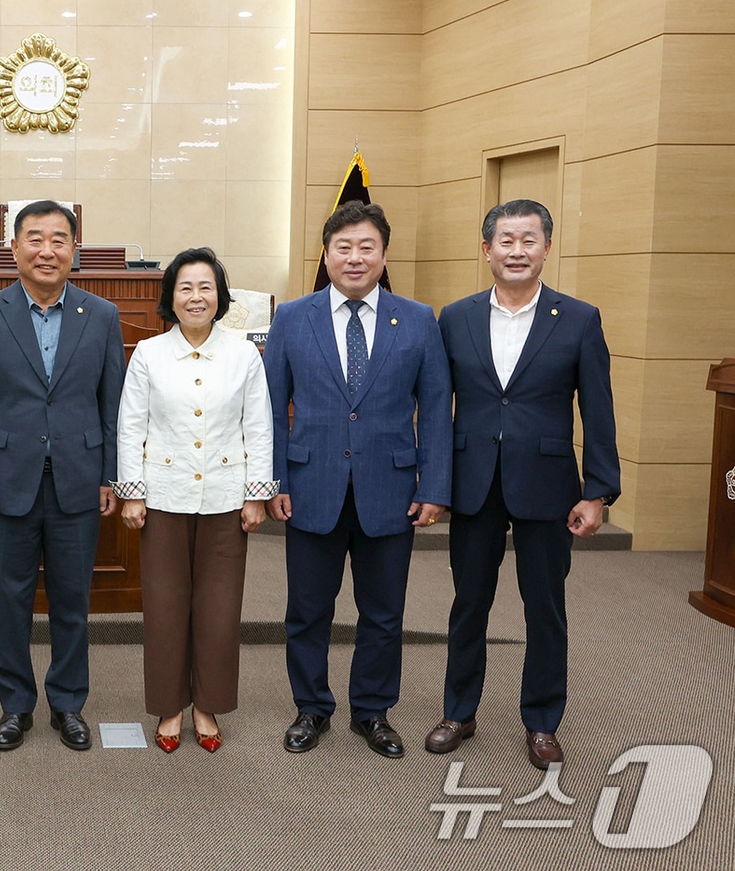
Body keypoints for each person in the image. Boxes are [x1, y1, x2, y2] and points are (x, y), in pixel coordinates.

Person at [426, 199, 619, 770]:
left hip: (549, 486)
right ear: (486, 250)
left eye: (528, 240)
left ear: (546, 248)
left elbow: (599, 410)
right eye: (505, 240)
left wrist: (598, 490)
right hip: (474, 482)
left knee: (545, 608)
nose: (516, 251)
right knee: (468, 604)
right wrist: (435, 481)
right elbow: (439, 408)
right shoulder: (455, 317)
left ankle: (541, 722)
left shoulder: (580, 319)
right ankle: (459, 711)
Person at [262, 200, 451, 759]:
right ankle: (311, 708)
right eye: (343, 247)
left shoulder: (417, 319)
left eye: (366, 246)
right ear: (325, 255)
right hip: (310, 485)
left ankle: (372, 711)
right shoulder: (293, 317)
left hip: (390, 490)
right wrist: (273, 481)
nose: (354, 257)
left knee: (384, 611)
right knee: (307, 609)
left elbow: (437, 408)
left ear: (384, 254)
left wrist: (434, 486)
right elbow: (271, 409)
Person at [0, 199, 124, 751]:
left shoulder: (101, 315)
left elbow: (113, 405)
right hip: (7, 479)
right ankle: (14, 705)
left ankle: (69, 704)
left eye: (58, 239)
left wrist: (111, 474)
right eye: (34, 238)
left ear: (75, 249)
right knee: (9, 600)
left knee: (73, 599)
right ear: (14, 248)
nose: (46, 250)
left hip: (79, 475)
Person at [113, 248, 274, 753]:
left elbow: (259, 427)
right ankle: (169, 705)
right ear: (171, 298)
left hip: (227, 497)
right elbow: (130, 426)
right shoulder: (148, 353)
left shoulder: (244, 354)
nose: (196, 296)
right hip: (163, 496)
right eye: (185, 287)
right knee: (164, 607)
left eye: (206, 287)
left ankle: (206, 705)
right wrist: (132, 492)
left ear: (220, 297)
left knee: (219, 609)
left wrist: (257, 495)